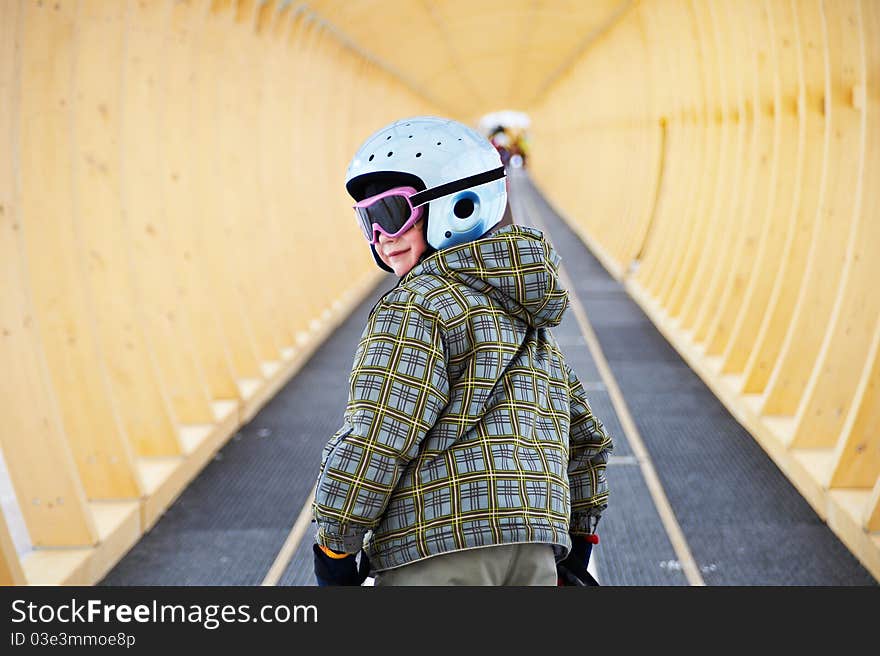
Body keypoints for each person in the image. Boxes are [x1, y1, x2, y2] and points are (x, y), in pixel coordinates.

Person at [311, 115, 613, 586]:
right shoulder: (527, 318)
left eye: (392, 214)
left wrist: (335, 546)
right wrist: (578, 542)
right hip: (534, 548)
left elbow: (378, 435)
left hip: (435, 551)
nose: (381, 237)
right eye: (367, 220)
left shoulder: (417, 306)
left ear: (460, 205)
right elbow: (585, 440)